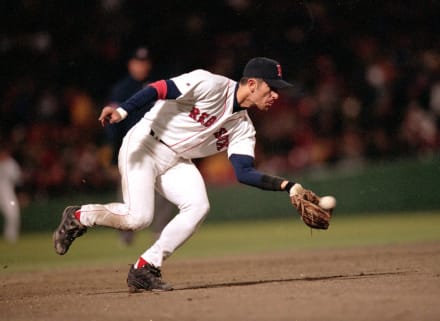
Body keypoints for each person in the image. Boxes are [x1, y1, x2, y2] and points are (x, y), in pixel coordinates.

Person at [53, 57, 326, 292]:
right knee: (139, 218)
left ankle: (145, 267)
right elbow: (159, 88)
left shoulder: (243, 127)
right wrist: (124, 110)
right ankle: (79, 216)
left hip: (176, 160)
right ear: (252, 84)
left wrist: (289, 186)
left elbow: (243, 172)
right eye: (272, 87)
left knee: (198, 207)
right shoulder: (210, 84)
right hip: (145, 144)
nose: (276, 94)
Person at [106, 46, 176, 245]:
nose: (142, 66)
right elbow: (113, 125)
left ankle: (161, 232)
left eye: (145, 62)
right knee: (128, 191)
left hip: (157, 145)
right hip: (131, 147)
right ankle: (126, 233)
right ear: (130, 64)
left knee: (163, 188)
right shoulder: (121, 89)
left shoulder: (157, 85)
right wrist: (113, 154)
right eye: (138, 62)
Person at [0, 142, 22, 243]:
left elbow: (18, 180)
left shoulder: (11, 163)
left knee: (13, 214)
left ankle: (10, 237)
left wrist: (20, 193)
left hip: (7, 193)